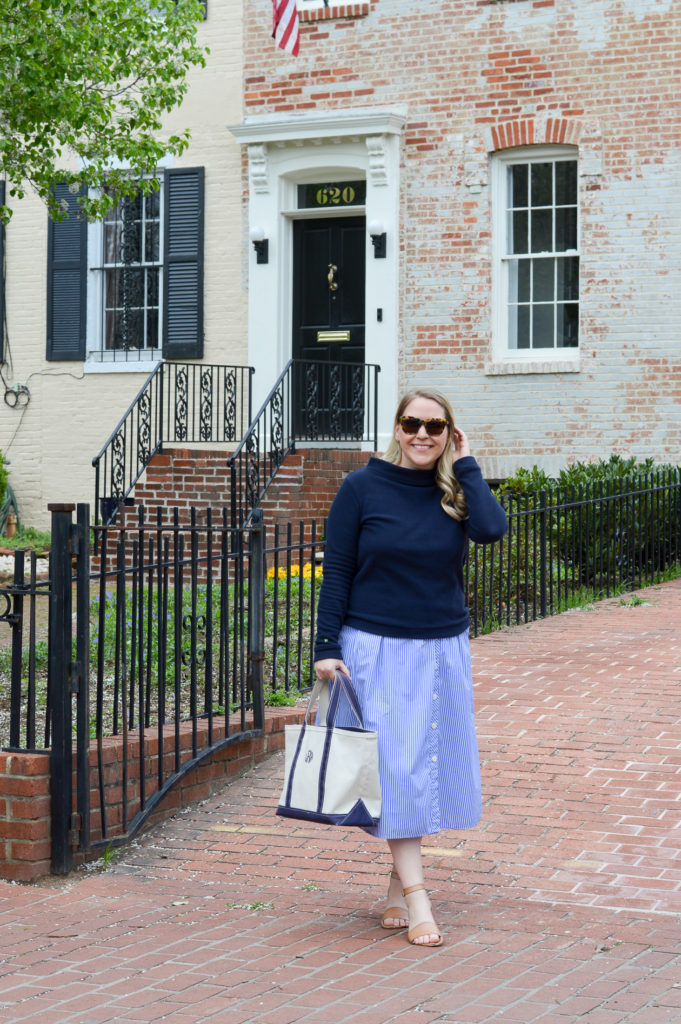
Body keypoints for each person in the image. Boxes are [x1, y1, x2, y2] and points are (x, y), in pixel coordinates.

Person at [313, 388, 508, 947]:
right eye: (411, 423)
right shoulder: (361, 488)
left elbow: (492, 530)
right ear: (396, 429)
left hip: (442, 648)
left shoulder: (455, 492)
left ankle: (398, 884)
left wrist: (467, 465)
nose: (422, 434)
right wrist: (327, 647)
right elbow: (338, 573)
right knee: (398, 768)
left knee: (425, 765)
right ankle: (420, 899)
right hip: (377, 648)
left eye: (436, 425)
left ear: (449, 432)